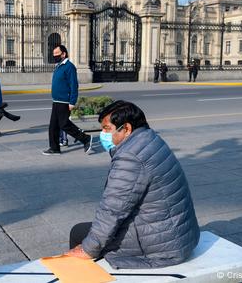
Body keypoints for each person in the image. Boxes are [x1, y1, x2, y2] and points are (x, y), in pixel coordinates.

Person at [65, 100, 199, 269]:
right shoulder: (149, 139)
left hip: (161, 246)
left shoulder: (130, 157)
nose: (103, 134)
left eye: (107, 129)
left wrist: (88, 250)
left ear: (126, 129)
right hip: (179, 236)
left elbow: (112, 210)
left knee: (79, 233)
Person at [43, 45, 93, 156]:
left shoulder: (69, 67)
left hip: (64, 101)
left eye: (57, 54)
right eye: (53, 54)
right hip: (56, 101)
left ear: (63, 54)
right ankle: (55, 148)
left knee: (64, 125)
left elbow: (74, 85)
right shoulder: (59, 66)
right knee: (53, 126)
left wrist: (72, 102)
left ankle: (86, 139)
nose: (54, 56)